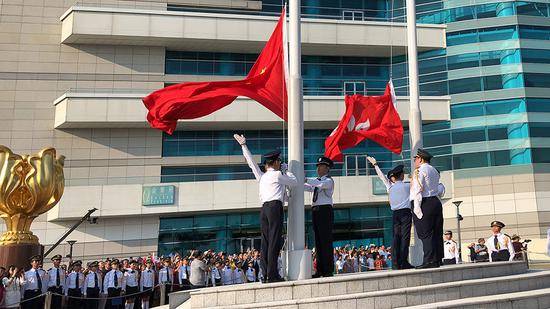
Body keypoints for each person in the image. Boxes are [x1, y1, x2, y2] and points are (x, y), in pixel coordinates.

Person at [234, 134, 298, 283]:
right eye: (279, 162)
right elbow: (294, 181)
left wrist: (244, 146)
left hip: (263, 209)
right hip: (275, 207)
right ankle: (273, 275)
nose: (280, 164)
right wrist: (286, 170)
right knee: (274, 241)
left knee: (266, 242)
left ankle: (265, 275)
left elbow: (251, 163)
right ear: (275, 163)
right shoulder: (277, 174)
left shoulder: (262, 176)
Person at [368, 157, 414, 270]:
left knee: (396, 238)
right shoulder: (408, 185)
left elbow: (381, 177)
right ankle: (403, 262)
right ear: (402, 176)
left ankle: (395, 263)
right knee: (405, 238)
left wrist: (375, 165)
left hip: (395, 214)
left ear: (393, 177)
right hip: (406, 213)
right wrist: (414, 175)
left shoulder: (390, 186)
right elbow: (417, 184)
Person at [410, 149, 446, 269]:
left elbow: (417, 190)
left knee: (426, 233)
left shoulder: (419, 171)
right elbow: (440, 187)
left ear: (420, 158)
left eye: (415, 159)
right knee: (437, 232)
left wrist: (417, 208)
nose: (415, 161)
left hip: (424, 202)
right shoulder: (434, 170)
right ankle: (437, 259)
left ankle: (429, 260)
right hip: (435, 202)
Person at [304, 156, 335, 278]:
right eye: (317, 166)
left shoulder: (328, 181)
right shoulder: (317, 181)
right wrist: (299, 182)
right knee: (318, 241)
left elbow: (318, 184)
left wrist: (305, 178)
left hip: (324, 211)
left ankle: (328, 269)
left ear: (327, 168)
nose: (318, 168)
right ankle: (320, 269)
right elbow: (309, 187)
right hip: (316, 210)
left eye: (321, 166)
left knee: (325, 241)